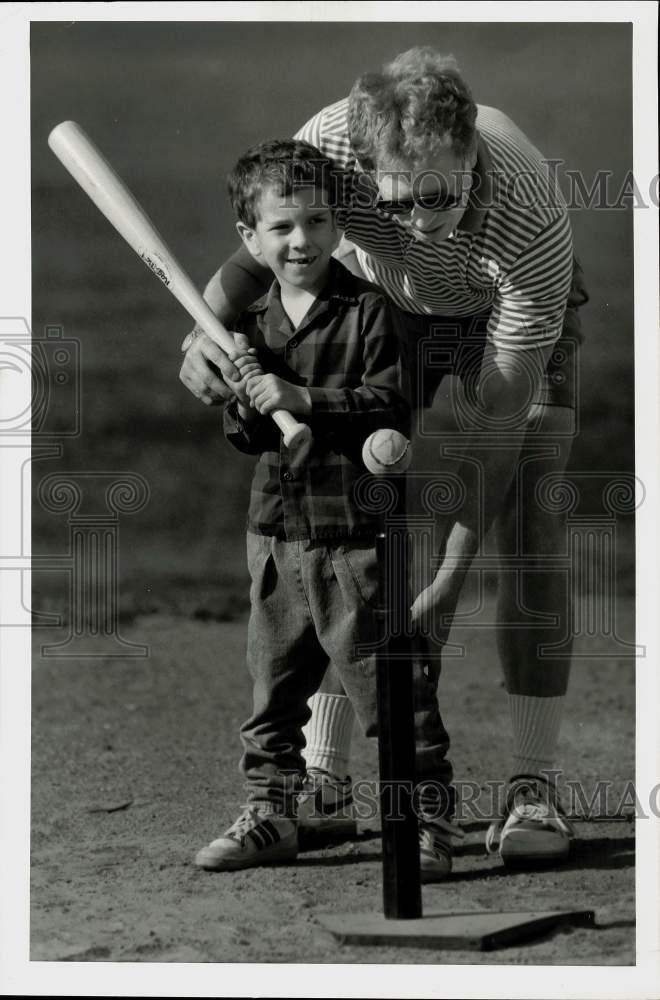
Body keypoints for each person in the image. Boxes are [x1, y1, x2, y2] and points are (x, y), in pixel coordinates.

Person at [181, 48, 589, 867]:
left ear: (471, 155)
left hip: (499, 319)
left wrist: (445, 584)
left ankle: (531, 786)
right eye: (398, 203)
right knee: (346, 517)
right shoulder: (331, 140)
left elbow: (496, 424)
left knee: (533, 522)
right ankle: (325, 783)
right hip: (384, 308)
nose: (420, 221)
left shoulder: (531, 223)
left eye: (439, 196)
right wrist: (203, 328)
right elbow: (264, 238)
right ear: (364, 167)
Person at [194, 138, 458, 878]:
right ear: (250, 239)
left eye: (314, 222)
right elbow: (247, 438)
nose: (300, 240)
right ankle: (273, 813)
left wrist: (305, 398)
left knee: (392, 689)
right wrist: (246, 398)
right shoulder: (250, 326)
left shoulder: (370, 311)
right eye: (280, 228)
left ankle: (428, 821)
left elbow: (392, 405)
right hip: (277, 532)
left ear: (337, 225)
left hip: (359, 537)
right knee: (272, 688)